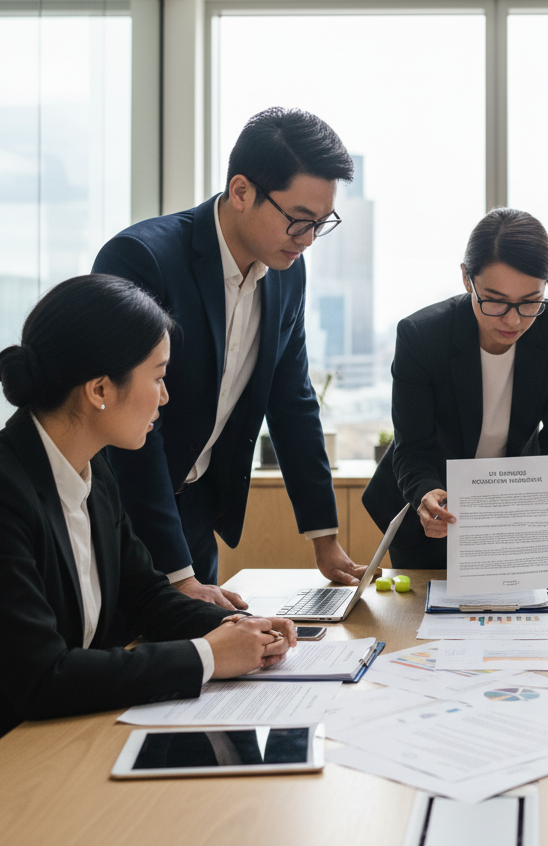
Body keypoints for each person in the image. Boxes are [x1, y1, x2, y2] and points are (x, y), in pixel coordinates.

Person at [0, 274, 296, 743]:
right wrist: (209, 656)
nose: (166, 396)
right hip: (15, 756)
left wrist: (240, 629)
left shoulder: (95, 473)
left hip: (68, 737)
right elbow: (42, 677)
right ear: (99, 390)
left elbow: (146, 599)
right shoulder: (1, 490)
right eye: (157, 376)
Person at [93, 107, 365, 609]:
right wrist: (178, 575)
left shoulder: (287, 273)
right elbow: (130, 423)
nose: (306, 241)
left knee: (211, 670)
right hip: (122, 513)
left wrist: (324, 539)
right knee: (129, 660)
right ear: (241, 192)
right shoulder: (143, 260)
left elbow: (293, 401)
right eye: (298, 222)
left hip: (197, 508)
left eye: (320, 225)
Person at [362, 208, 548, 568]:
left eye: (530, 301)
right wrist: (425, 493)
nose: (513, 320)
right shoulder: (422, 337)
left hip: (512, 511)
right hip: (433, 512)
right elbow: (412, 447)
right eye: (495, 300)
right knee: (424, 617)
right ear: (467, 279)